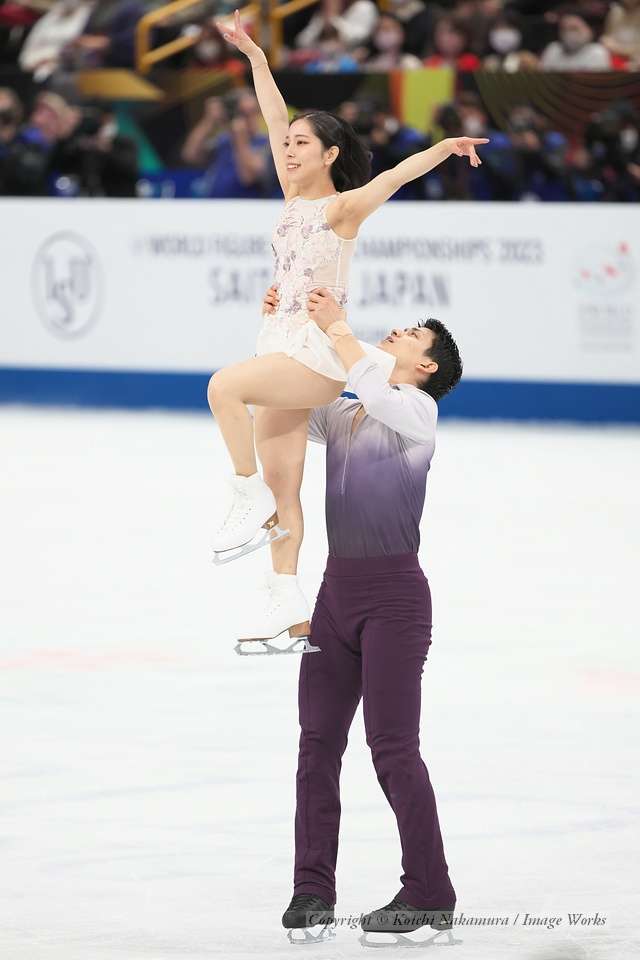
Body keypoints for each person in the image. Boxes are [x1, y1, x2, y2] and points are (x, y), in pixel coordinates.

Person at [208, 9, 488, 654]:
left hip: (314, 352)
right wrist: (254, 56)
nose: (289, 147)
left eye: (304, 144)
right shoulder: (290, 195)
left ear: (330, 155)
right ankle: (287, 612)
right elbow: (273, 116)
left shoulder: (341, 207)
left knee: (224, 388)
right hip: (277, 337)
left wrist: (444, 149)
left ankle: (241, 490)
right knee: (290, 492)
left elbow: (392, 177)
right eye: (289, 143)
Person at [257, 284, 461, 941]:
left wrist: (339, 328)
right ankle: (312, 888)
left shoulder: (419, 415)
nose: (395, 334)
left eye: (409, 335)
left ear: (425, 365)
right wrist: (279, 331)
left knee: (393, 747)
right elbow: (286, 406)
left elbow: (370, 386)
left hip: (396, 601)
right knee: (316, 743)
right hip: (336, 595)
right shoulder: (346, 414)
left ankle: (430, 890)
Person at [181, 89, 275, 199]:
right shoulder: (224, 140)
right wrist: (209, 121)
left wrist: (240, 138)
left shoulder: (268, 143)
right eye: (243, 113)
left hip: (246, 209)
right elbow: (190, 155)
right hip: (214, 206)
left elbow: (248, 177)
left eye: (254, 111)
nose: (250, 118)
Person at [540, 10, 611, 70]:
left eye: (574, 28)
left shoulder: (598, 51)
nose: (569, 33)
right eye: (564, 29)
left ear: (588, 29)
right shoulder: (552, 49)